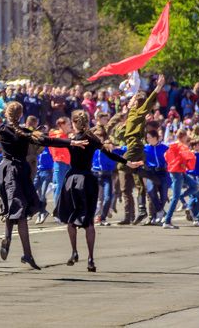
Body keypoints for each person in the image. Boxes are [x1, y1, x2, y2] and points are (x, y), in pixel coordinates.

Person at [0, 96, 85, 270]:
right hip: (18, 172)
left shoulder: (1, 128)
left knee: (14, 208)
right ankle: (25, 253)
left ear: (7, 114)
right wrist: (71, 142)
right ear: (20, 116)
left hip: (5, 172)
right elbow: (48, 140)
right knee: (18, 211)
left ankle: (10, 241)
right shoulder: (25, 132)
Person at [54, 110, 141, 273]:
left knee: (71, 219)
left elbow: (52, 142)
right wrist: (127, 162)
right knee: (89, 222)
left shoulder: (72, 139)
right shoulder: (92, 138)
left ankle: (74, 251)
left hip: (73, 179)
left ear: (73, 123)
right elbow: (109, 153)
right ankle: (91, 258)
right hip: (87, 179)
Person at [118, 75, 165, 225]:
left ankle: (151, 175)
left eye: (131, 99)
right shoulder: (131, 113)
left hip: (135, 145)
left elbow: (148, 103)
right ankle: (144, 210)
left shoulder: (138, 112)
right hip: (133, 145)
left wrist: (157, 88)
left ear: (136, 103)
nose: (129, 100)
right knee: (139, 182)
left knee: (121, 165)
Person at [162, 130, 199, 229]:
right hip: (177, 172)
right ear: (183, 137)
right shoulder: (182, 146)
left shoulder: (172, 146)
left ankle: (180, 197)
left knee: (195, 186)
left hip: (177, 171)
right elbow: (190, 157)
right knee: (175, 197)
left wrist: (176, 164)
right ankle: (167, 221)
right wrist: (187, 165)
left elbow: (166, 156)